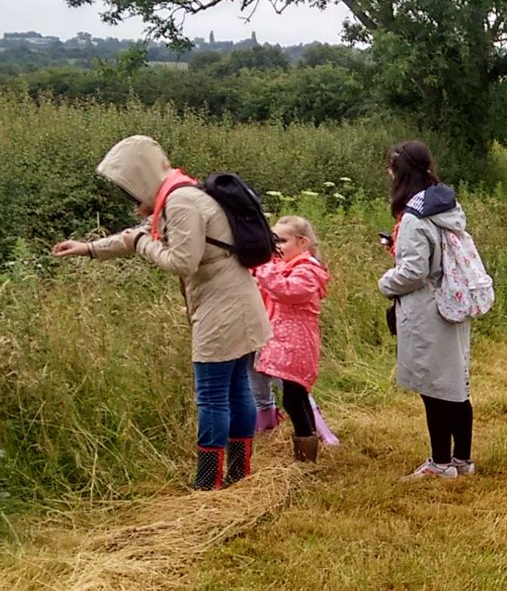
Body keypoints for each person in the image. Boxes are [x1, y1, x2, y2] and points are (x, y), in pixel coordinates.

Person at [52, 134, 271, 490]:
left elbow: (181, 261)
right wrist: (88, 248)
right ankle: (237, 475)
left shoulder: (180, 202)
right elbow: (137, 235)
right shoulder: (183, 192)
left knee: (213, 396)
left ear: (141, 179)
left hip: (222, 312)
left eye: (129, 189)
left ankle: (207, 484)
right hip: (240, 304)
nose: (131, 199)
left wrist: (142, 245)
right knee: (236, 391)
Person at [379, 140, 475, 480]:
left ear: (399, 173)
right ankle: (463, 459)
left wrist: (385, 282)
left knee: (434, 387)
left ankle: (440, 463)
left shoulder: (413, 217)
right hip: (454, 302)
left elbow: (413, 272)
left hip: (428, 311)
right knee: (456, 383)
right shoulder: (445, 205)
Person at [253, 216, 330, 462]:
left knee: (294, 396)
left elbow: (287, 291)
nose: (276, 246)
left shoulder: (308, 270)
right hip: (285, 342)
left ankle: (305, 452)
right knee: (294, 394)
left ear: (303, 242)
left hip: (297, 343)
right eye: (273, 240)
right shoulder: (284, 266)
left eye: (282, 240)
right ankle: (307, 447)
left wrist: (263, 266)